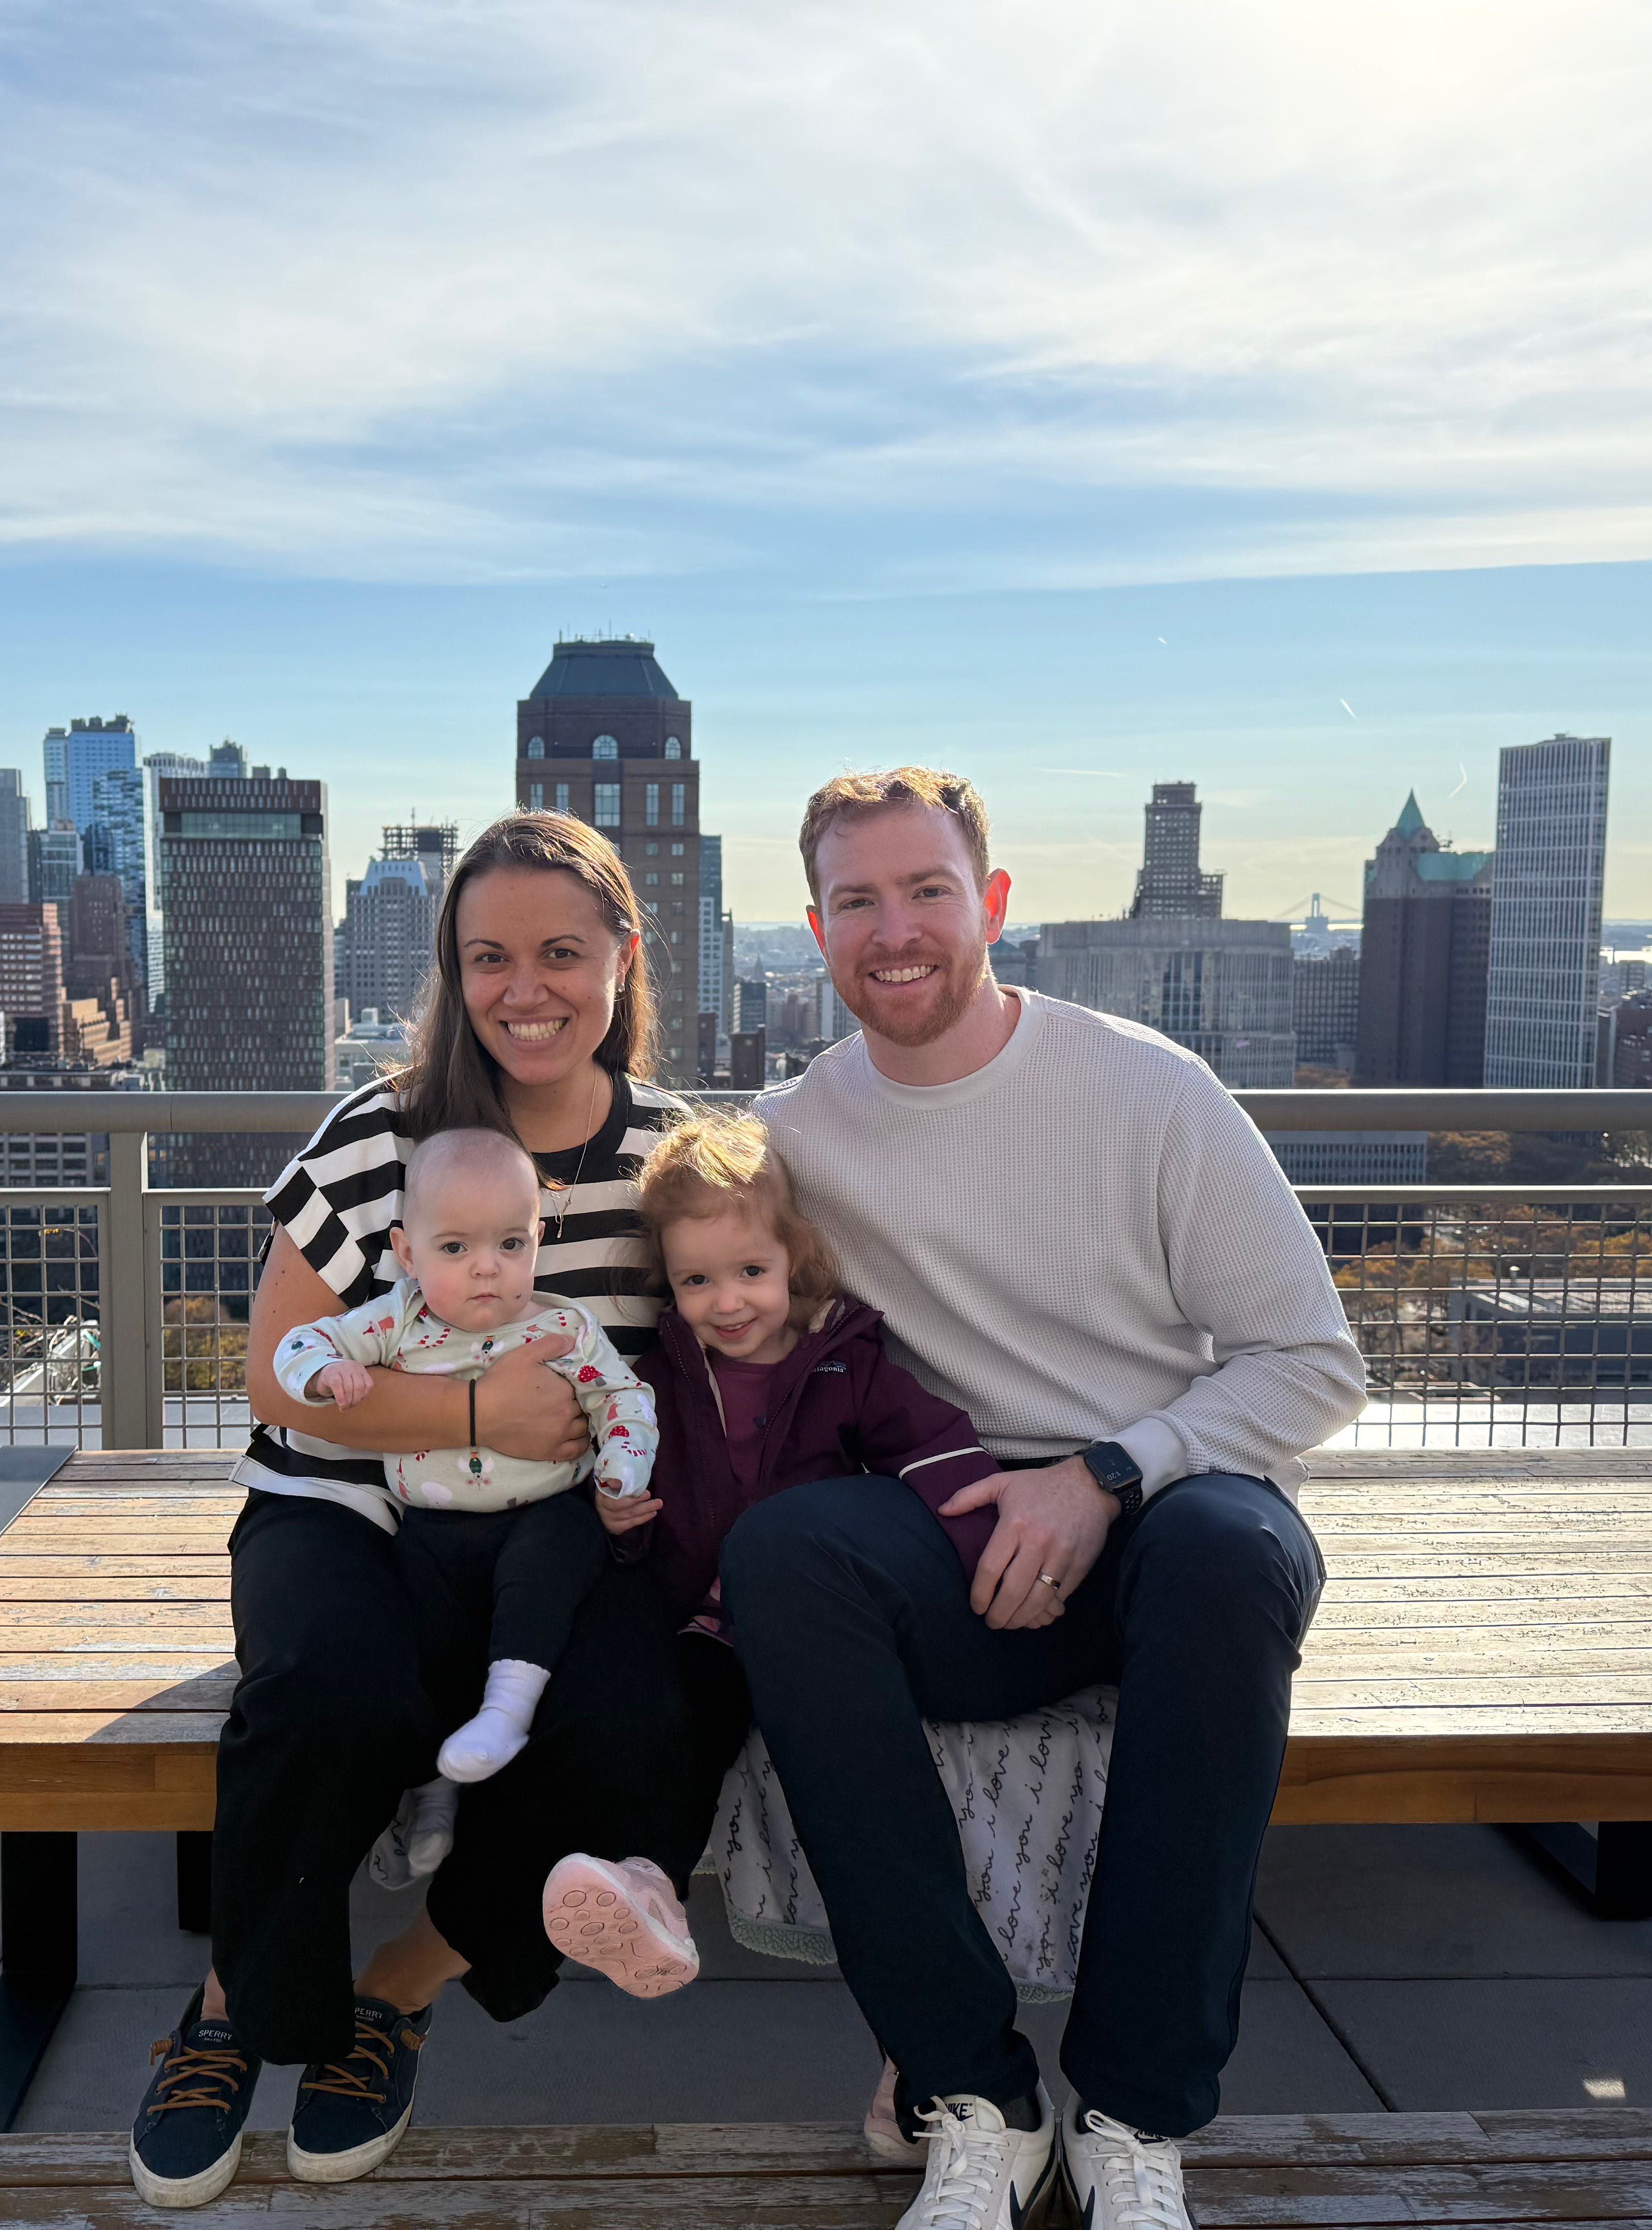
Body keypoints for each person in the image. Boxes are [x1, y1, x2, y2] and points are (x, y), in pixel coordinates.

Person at [725, 768, 1368, 2230]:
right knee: (785, 1557)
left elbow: (1316, 1364)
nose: (896, 931)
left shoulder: (1149, 1091)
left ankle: (1134, 2117)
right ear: (815, 929)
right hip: (955, 1543)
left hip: (1160, 1510)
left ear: (992, 902)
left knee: (1227, 1555)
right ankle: (976, 2099)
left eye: (927, 891)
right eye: (857, 901)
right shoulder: (793, 1136)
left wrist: (1106, 1474)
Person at [130, 812, 689, 2210]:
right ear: (451, 968)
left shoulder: (678, 1156)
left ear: (626, 954)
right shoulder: (382, 1134)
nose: (526, 986)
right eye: (489, 955)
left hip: (554, 1531)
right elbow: (276, 1374)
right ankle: (230, 2012)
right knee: (328, 1686)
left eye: (563, 950)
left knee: (643, 1715)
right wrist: (468, 1415)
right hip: (350, 1504)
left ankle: (399, 1985)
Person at [534, 1106, 1008, 2004]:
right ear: (669, 1286)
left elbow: (934, 1449)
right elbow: (626, 1479)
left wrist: (983, 1552)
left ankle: (922, 1987)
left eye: (752, 1271)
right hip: (708, 1622)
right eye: (699, 1280)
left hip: (815, 1628)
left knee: (855, 1761)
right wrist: (621, 1524)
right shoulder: (665, 1380)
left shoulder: (845, 1364)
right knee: (681, 1721)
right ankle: (653, 1887)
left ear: (797, 1260)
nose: (729, 1301)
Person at [273, 1124, 656, 1800]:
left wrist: (622, 1463)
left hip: (543, 1513)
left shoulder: (562, 1327)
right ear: (407, 1254)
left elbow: (621, 1396)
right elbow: (298, 1341)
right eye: (455, 1247)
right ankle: (437, 1792)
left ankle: (509, 1709)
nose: (487, 1267)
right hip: (429, 1530)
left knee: (557, 1557)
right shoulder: (396, 1322)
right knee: (427, 1638)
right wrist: (325, 1372)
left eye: (510, 1244)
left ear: (538, 1241)